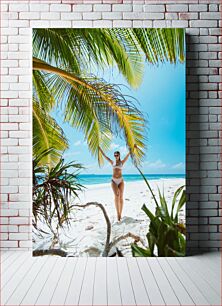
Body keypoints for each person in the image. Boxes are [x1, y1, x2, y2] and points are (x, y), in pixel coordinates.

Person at [99, 144, 137, 221]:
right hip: (113, 180)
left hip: (121, 180)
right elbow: (105, 156)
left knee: (121, 197)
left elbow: (128, 155)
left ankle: (120, 214)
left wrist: (133, 148)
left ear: (119, 155)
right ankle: (117, 214)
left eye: (117, 155)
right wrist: (100, 149)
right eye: (115, 155)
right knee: (117, 195)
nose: (116, 156)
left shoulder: (122, 162)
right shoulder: (112, 162)